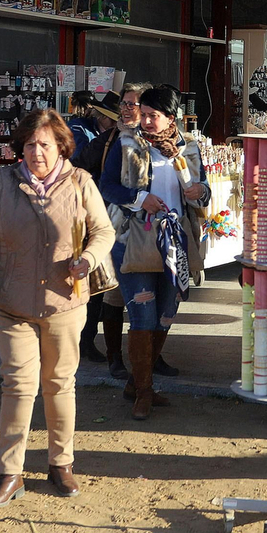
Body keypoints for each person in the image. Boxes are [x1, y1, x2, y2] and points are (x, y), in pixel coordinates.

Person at [0, 109, 115, 506]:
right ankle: (10, 472)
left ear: (60, 146)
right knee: (18, 386)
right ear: (20, 148)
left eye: (44, 144)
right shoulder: (2, 183)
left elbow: (104, 230)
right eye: (29, 144)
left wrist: (90, 258)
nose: (36, 152)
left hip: (65, 303)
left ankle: (61, 463)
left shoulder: (81, 183)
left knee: (60, 384)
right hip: (12, 304)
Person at [98, 84, 209, 420]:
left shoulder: (188, 148)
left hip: (174, 242)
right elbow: (107, 185)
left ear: (170, 117)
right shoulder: (126, 144)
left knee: (166, 315)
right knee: (143, 318)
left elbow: (203, 193)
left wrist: (198, 191)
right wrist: (138, 199)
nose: (144, 120)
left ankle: (137, 382)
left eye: (152, 115)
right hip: (134, 240)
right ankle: (144, 393)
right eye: (142, 114)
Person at [78, 84, 144, 380]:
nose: (127, 110)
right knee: (105, 291)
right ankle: (100, 348)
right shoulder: (107, 141)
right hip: (107, 224)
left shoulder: (155, 141)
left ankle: (147, 358)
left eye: (134, 105)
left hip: (145, 228)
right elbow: (77, 170)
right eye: (125, 105)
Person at [71, 90, 121, 363]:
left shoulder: (109, 138)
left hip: (114, 218)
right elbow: (76, 168)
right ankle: (86, 341)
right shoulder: (90, 137)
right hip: (98, 217)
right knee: (98, 287)